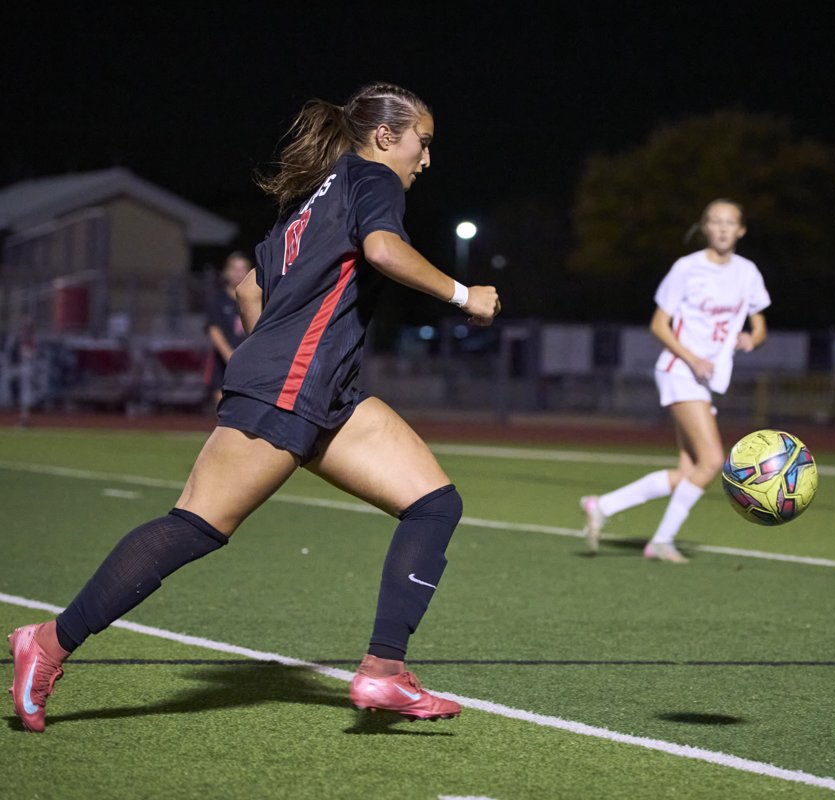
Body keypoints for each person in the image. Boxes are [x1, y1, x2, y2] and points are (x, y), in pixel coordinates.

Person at [7, 81, 501, 733]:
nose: (426, 159)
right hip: (294, 384)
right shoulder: (372, 177)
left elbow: (247, 292)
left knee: (435, 504)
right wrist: (464, 295)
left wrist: (271, 357)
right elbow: (383, 251)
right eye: (423, 142)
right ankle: (46, 642)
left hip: (321, 390)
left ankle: (384, 670)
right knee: (195, 526)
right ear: (386, 136)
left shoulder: (312, 199)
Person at [580, 199, 770, 563]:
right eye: (715, 221)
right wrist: (693, 358)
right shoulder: (687, 268)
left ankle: (602, 505)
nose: (723, 228)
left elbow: (759, 326)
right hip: (679, 370)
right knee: (712, 461)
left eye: (730, 222)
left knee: (689, 471)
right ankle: (661, 541)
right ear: (705, 227)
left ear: (741, 230)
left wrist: (751, 338)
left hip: (707, 379)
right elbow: (658, 325)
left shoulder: (748, 272)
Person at [204, 251, 253, 406]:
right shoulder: (218, 300)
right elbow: (214, 330)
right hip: (224, 363)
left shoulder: (256, 300)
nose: (238, 273)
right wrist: (230, 356)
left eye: (242, 269)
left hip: (250, 362)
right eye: (234, 269)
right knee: (223, 406)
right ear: (227, 272)